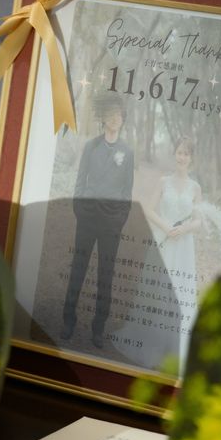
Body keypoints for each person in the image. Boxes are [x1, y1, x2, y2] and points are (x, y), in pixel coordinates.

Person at [61, 94, 134, 348]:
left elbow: (127, 191)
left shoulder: (127, 152)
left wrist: (119, 220)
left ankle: (98, 328)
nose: (115, 118)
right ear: (103, 117)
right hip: (88, 218)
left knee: (106, 274)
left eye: (118, 114)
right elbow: (80, 180)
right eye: (110, 114)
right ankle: (68, 319)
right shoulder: (91, 146)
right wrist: (79, 208)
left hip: (111, 223)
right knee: (78, 268)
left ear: (122, 119)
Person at [145, 135, 202, 369]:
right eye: (179, 152)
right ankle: (156, 340)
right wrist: (166, 227)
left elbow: (198, 220)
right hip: (164, 238)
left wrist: (184, 228)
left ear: (191, 158)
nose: (182, 157)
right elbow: (149, 209)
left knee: (179, 289)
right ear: (174, 154)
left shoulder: (195, 187)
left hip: (183, 245)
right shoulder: (163, 182)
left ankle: (175, 343)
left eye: (186, 154)